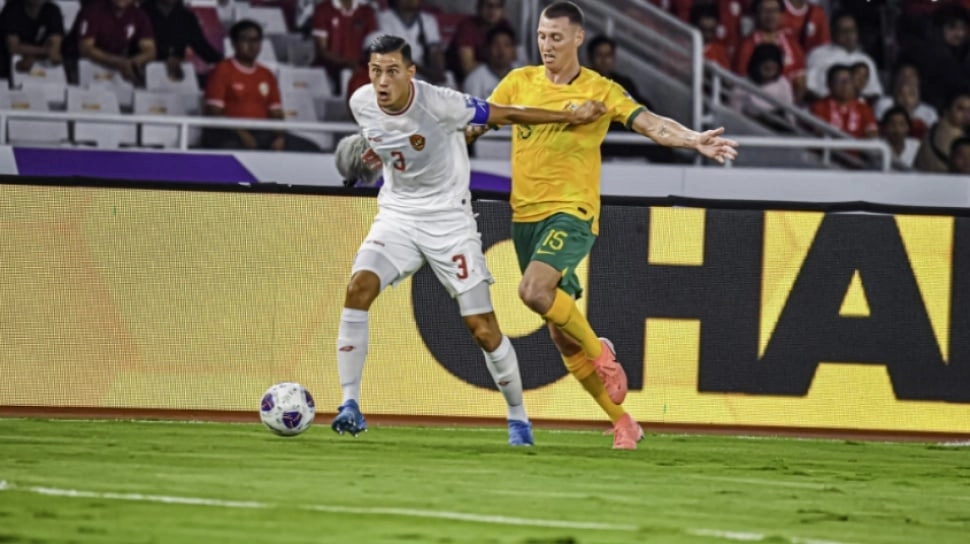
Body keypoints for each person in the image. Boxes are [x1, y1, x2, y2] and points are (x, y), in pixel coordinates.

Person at [468, 1, 738, 449]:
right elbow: (476, 124)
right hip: (525, 217)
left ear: (578, 38)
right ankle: (623, 422)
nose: (547, 45)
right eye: (541, 36)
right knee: (561, 335)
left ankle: (602, 353)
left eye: (556, 37)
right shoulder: (518, 82)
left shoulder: (601, 90)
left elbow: (650, 123)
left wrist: (693, 140)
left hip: (572, 212)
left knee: (532, 291)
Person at [330, 33, 608, 446]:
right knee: (358, 288)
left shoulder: (441, 103)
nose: (382, 81)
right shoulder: (361, 102)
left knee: (483, 328)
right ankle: (349, 404)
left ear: (410, 72)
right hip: (398, 217)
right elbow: (389, 139)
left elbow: (505, 113)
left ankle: (518, 417)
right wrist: (374, 152)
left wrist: (570, 115)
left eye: (391, 71)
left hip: (450, 223)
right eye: (375, 71)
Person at [142, 0, 222, 83]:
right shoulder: (142, 13)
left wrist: (225, 63)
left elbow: (202, 47)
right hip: (144, 75)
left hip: (177, 76)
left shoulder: (186, 17)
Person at [77, 0, 155, 86]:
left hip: (120, 70)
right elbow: (86, 48)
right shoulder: (93, 11)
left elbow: (150, 50)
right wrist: (118, 62)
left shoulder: (139, 15)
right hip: (87, 67)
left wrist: (133, 63)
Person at [0, 0, 64, 80]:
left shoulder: (52, 10)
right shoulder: (12, 9)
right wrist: (43, 51)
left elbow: (55, 48)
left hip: (38, 66)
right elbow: (13, 47)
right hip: (6, 65)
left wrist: (32, 54)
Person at [810, 64, 878, 139]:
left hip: (857, 146)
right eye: (840, 81)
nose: (845, 85)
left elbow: (872, 134)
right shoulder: (819, 107)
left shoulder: (864, 108)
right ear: (829, 84)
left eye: (848, 80)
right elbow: (819, 133)